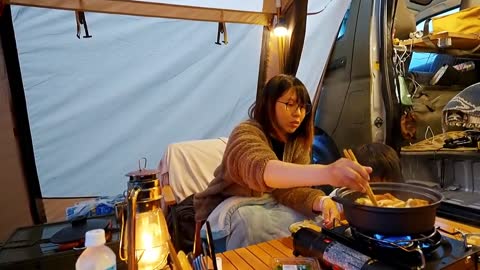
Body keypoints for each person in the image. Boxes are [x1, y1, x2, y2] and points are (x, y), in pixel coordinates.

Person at [193, 74, 372, 229]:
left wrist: (322, 201)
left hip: (266, 207)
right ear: (269, 103)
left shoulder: (297, 143)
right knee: (252, 224)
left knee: (313, 220)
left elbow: (289, 191)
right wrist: (328, 172)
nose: (298, 114)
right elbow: (262, 170)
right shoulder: (245, 133)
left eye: (303, 107)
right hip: (223, 209)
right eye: (290, 104)